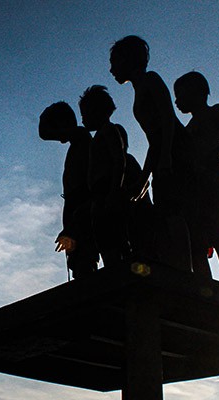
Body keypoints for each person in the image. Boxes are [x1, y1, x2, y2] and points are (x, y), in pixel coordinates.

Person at [109, 35, 195, 271]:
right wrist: (145, 176)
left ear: (128, 59)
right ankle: (179, 269)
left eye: (115, 62)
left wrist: (166, 157)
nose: (112, 69)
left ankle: (185, 272)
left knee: (173, 212)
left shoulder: (151, 80)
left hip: (175, 153)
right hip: (162, 154)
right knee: (167, 212)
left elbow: (168, 119)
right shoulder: (139, 89)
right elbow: (153, 138)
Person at [174, 71, 219, 286]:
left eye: (180, 94)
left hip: (215, 181)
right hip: (194, 187)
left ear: (197, 92)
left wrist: (207, 158)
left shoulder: (216, 111)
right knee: (197, 242)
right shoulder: (187, 129)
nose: (177, 101)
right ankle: (206, 290)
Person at [39, 102, 99, 279]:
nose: (59, 139)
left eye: (57, 133)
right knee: (79, 261)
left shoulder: (82, 139)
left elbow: (84, 189)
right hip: (77, 210)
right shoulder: (79, 141)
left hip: (81, 210)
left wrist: (72, 225)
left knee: (83, 260)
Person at [78, 85, 130, 267]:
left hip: (108, 190)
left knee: (114, 236)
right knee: (104, 237)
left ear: (97, 112)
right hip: (99, 193)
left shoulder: (109, 130)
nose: (83, 119)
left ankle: (121, 269)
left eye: (85, 114)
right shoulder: (100, 136)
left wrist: (114, 192)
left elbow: (119, 160)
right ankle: (113, 267)